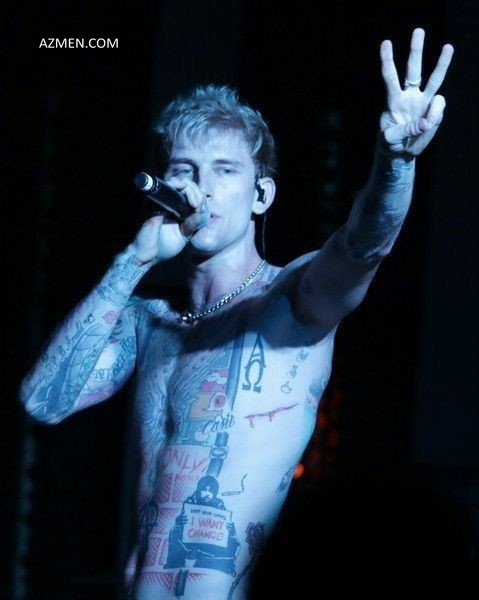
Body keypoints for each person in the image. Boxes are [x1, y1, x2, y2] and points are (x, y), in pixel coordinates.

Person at [19, 27, 453, 600]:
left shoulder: (292, 298)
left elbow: (362, 246)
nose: (202, 187)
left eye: (225, 170)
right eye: (185, 169)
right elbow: (42, 402)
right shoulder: (147, 321)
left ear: (261, 195)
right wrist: (132, 261)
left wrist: (394, 160)